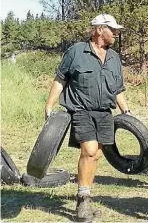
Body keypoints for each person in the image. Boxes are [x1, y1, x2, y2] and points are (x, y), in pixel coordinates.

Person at [44, 13, 130, 222]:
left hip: (104, 113)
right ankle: (82, 198)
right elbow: (60, 79)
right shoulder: (76, 52)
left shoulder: (114, 57)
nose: (116, 33)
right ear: (100, 30)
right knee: (89, 150)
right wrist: (49, 105)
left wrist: (126, 112)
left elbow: (117, 89)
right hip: (81, 110)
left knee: (96, 155)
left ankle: (86, 195)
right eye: (113, 30)